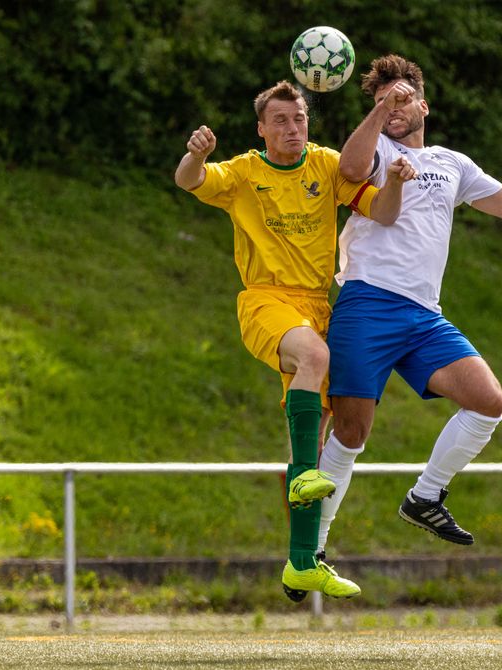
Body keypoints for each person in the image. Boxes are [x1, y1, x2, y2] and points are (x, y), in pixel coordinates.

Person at [316, 55, 502, 556]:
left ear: (424, 104)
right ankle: (312, 547)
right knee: (351, 431)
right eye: (382, 100)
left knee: (488, 401)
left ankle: (425, 496)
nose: (394, 106)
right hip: (368, 303)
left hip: (424, 315)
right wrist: (381, 112)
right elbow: (351, 169)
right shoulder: (375, 145)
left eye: (402, 97)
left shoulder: (452, 162)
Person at [174, 80, 415, 602]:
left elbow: (386, 212)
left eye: (299, 118)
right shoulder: (243, 172)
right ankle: (303, 477)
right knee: (315, 356)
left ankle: (302, 562)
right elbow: (188, 180)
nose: (292, 128)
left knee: (323, 426)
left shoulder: (327, 165)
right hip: (265, 299)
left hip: (317, 306)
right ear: (261, 129)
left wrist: (394, 181)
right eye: (280, 120)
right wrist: (196, 156)